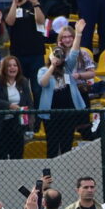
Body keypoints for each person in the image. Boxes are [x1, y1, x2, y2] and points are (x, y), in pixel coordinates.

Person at [36, 20, 86, 158]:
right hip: (51, 114)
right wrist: (52, 65)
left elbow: (75, 52)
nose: (59, 58)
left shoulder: (67, 68)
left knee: (66, 146)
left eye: (61, 56)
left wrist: (79, 34)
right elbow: (43, 83)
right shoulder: (43, 70)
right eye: (56, 55)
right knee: (52, 145)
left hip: (68, 113)